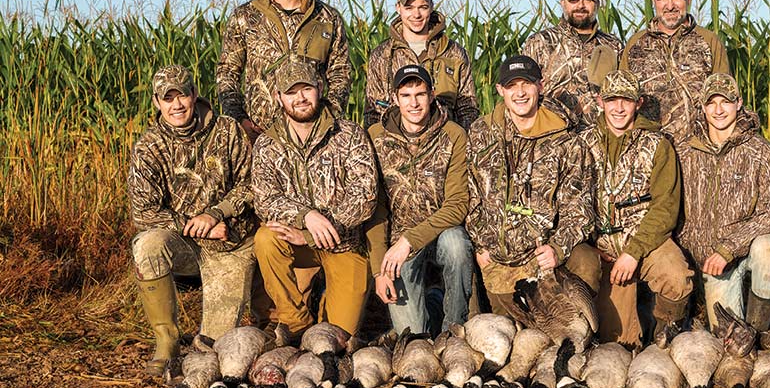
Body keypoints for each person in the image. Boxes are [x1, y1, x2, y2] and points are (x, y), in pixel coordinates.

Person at [127, 65, 256, 375]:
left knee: (215, 350)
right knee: (147, 245)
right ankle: (167, 342)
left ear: (194, 94)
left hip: (231, 244)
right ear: (157, 103)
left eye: (181, 95)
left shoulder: (227, 131)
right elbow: (143, 211)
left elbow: (252, 184)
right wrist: (195, 226)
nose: (176, 105)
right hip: (186, 243)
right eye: (167, 98)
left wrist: (217, 213)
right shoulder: (148, 146)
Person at [251, 58, 378, 344]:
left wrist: (311, 233)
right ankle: (296, 322)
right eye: (291, 92)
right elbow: (265, 199)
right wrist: (306, 215)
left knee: (339, 338)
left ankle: (322, 307)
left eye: (306, 89)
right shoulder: (267, 144)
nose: (300, 98)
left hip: (342, 242)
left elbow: (366, 194)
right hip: (295, 244)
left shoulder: (349, 134)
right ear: (278, 97)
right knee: (266, 239)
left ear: (319, 88)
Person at [466, 55, 601, 313]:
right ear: (500, 91)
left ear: (541, 86)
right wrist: (481, 245)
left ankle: (579, 330)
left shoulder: (567, 143)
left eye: (526, 84)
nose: (520, 93)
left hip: (545, 258)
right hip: (498, 261)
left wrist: (558, 249)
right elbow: (471, 195)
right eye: (512, 85)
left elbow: (580, 210)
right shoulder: (481, 135)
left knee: (585, 261)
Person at [579, 70, 694, 348]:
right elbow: (572, 201)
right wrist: (589, 244)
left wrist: (633, 252)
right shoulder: (581, 144)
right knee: (617, 343)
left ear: (638, 103)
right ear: (600, 101)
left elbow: (666, 208)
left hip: (645, 241)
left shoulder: (657, 145)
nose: (619, 108)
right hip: (602, 248)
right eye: (612, 100)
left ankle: (667, 332)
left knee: (677, 277)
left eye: (626, 101)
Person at [674, 73, 770, 333]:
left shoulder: (761, 152)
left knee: (769, 249)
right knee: (726, 338)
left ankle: (758, 332)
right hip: (711, 264)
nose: (718, 110)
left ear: (738, 103)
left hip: (742, 249)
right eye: (711, 103)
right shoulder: (684, 152)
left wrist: (729, 249)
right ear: (702, 107)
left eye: (725, 102)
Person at [366, 65, 474, 335]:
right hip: (398, 242)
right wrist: (379, 272)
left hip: (439, 232)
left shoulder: (453, 135)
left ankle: (454, 330)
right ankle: (433, 305)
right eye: (406, 95)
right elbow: (376, 209)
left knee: (457, 245)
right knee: (412, 336)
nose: (413, 103)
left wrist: (409, 240)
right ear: (395, 98)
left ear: (432, 95)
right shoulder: (376, 138)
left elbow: (458, 204)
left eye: (420, 94)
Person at [216, 0, 351, 141]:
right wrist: (239, 119)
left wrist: (328, 116)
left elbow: (341, 73)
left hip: (315, 134)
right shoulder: (245, 17)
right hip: (259, 134)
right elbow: (227, 73)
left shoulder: (327, 18)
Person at [621, 0, 729, 141]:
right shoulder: (636, 44)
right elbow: (623, 101)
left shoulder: (709, 41)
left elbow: (724, 101)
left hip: (698, 150)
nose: (670, 5)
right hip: (647, 149)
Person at [365, 0, 479, 129]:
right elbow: (373, 112)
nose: (416, 14)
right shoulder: (382, 56)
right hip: (392, 146)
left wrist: (459, 141)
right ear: (398, 8)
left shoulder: (454, 53)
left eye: (423, 7)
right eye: (409, 7)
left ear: (431, 7)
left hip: (444, 145)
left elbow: (468, 109)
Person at [521, 0, 621, 130]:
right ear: (563, 3)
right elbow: (523, 93)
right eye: (574, 0)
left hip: (601, 136)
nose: (580, 5)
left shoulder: (613, 46)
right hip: (554, 137)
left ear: (598, 4)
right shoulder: (540, 42)